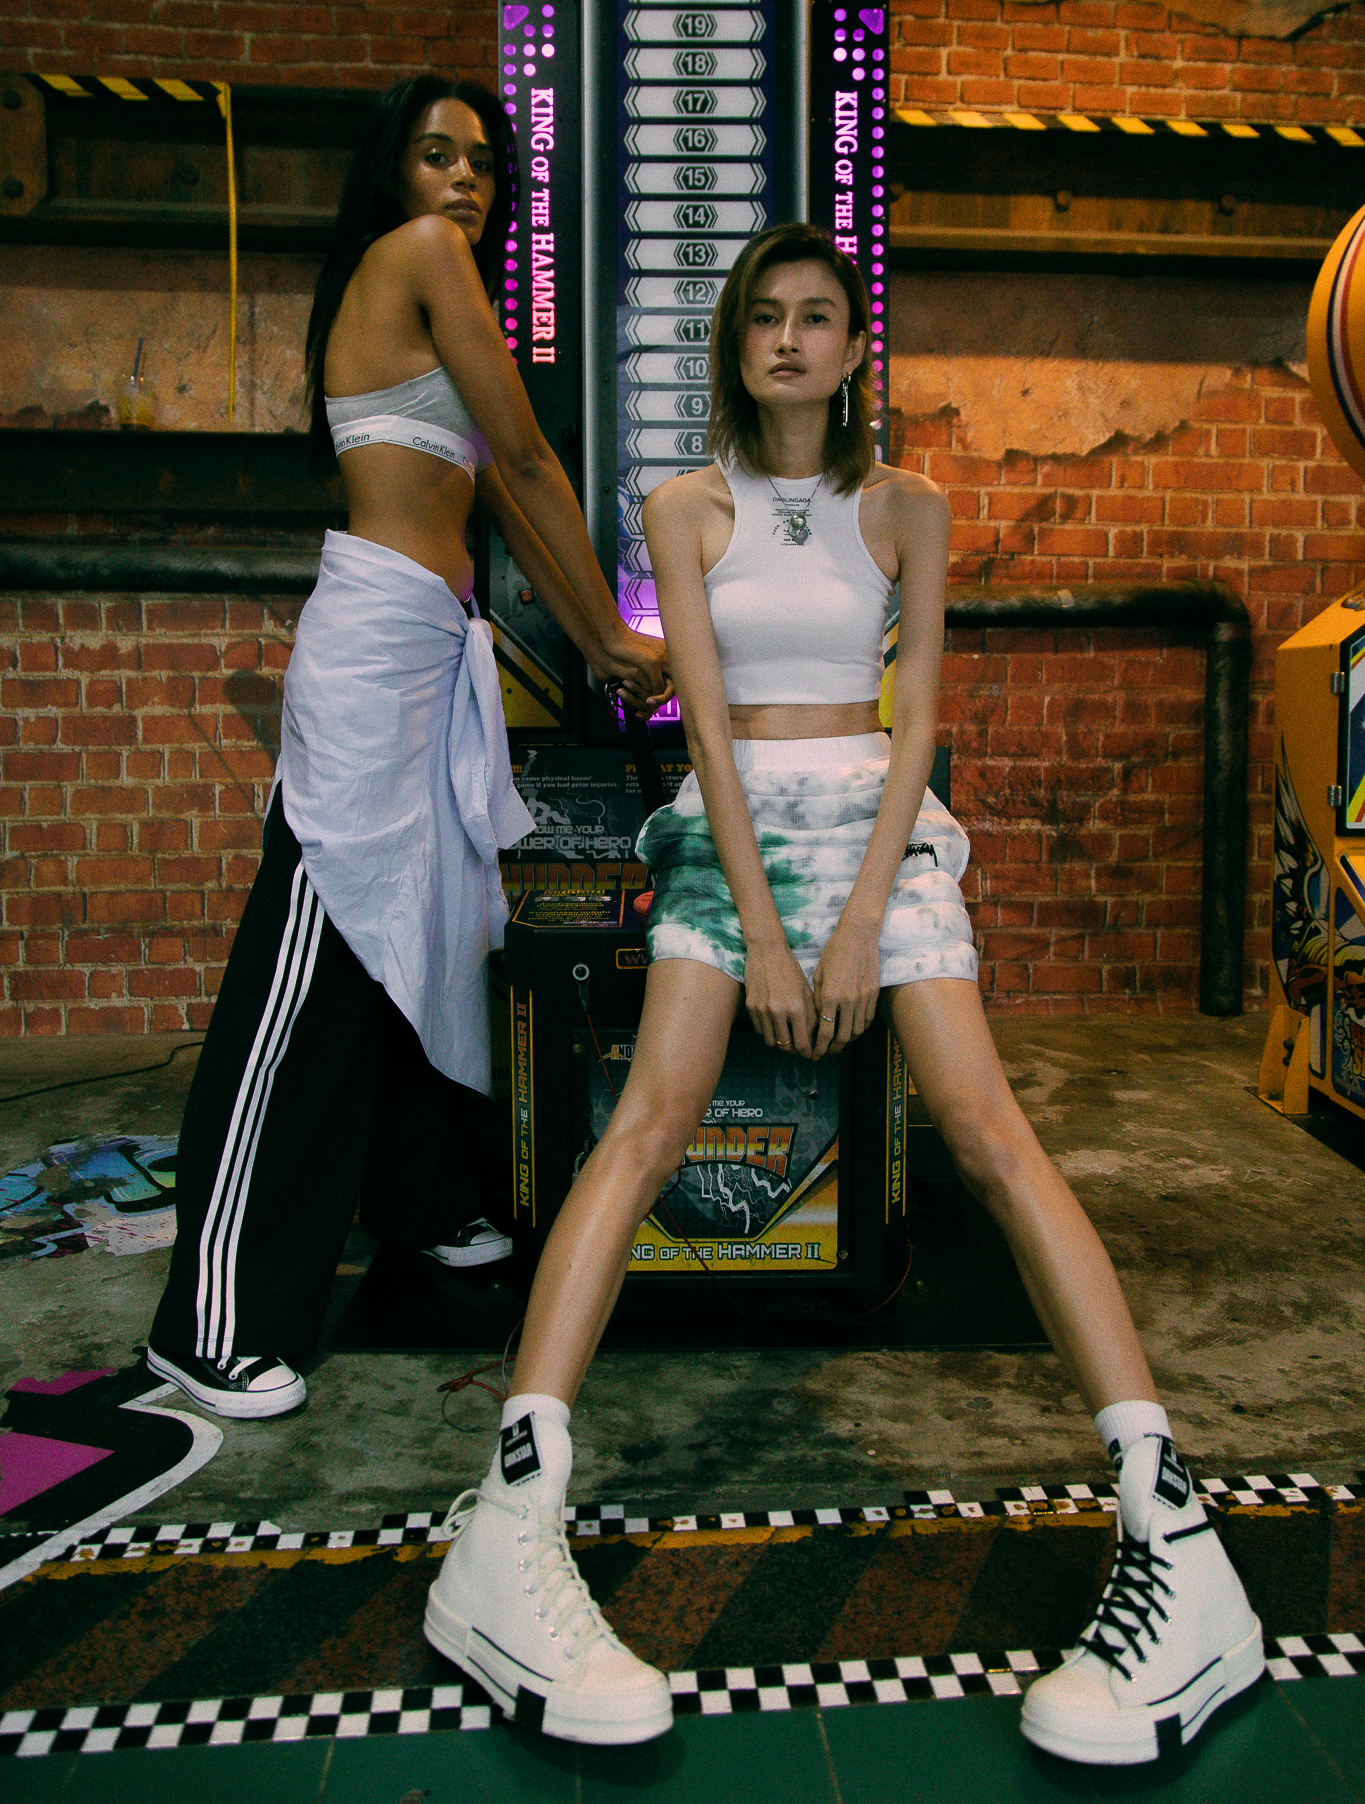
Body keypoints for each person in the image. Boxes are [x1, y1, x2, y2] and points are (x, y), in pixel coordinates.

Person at [424, 223, 1263, 1766]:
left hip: (879, 821)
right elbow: (702, 733)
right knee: (644, 1130)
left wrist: (865, 914)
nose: (789, 339)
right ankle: (510, 1511)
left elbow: (916, 713)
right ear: (736, 342)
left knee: (990, 1134)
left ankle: (1174, 1526)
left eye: (817, 316)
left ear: (853, 345)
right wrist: (760, 925)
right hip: (731, 828)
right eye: (765, 316)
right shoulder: (682, 507)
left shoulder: (907, 506)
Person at [146, 76, 667, 1420]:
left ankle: (420, 1202)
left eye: (484, 162)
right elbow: (529, 461)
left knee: (432, 940)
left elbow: (499, 489)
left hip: (435, 651)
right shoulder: (423, 254)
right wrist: (617, 636)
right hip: (376, 650)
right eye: (439, 155)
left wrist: (596, 641)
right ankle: (208, 1323)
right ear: (396, 173)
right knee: (309, 966)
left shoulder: (438, 296)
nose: (465, 181)